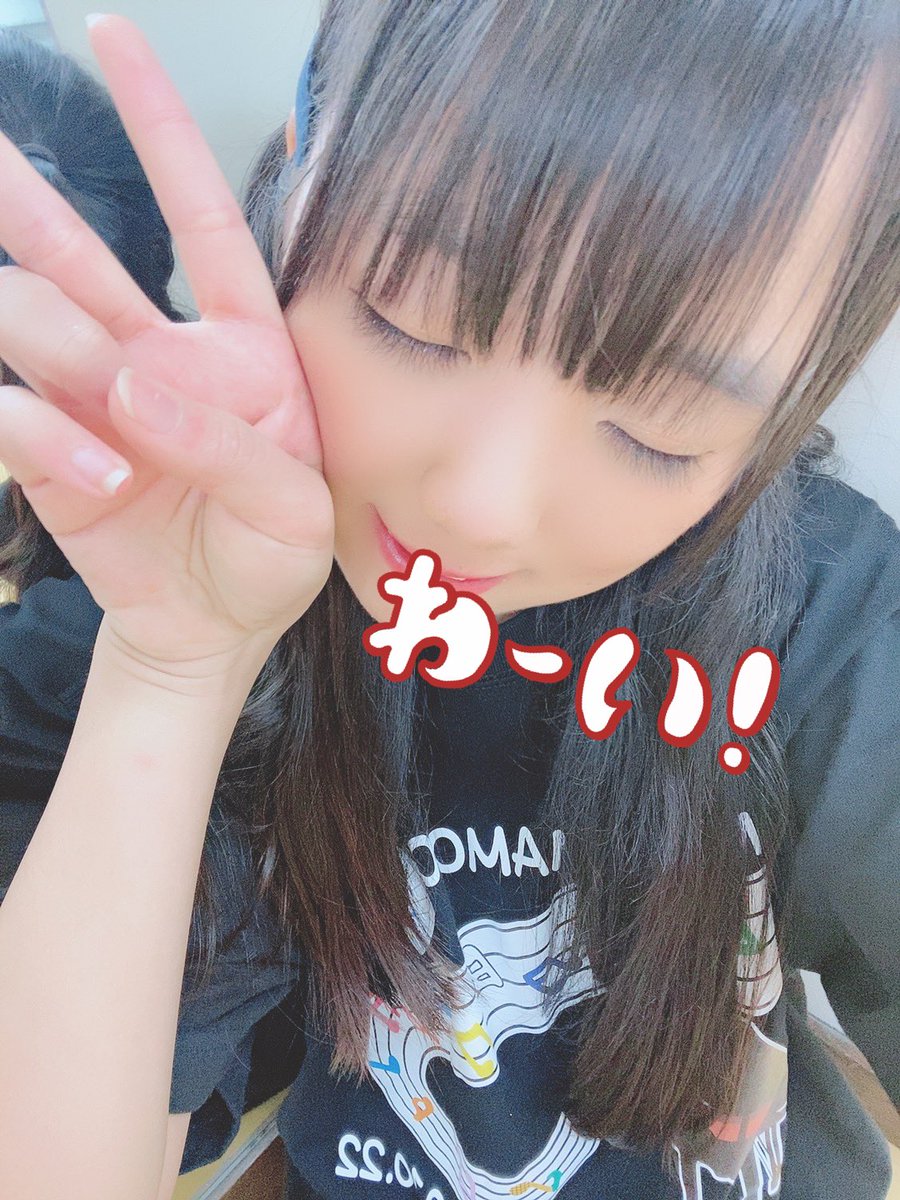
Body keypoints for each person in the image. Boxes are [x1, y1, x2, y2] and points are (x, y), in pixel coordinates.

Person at [0, 5, 897, 1199]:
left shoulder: (828, 623)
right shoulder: (166, 598)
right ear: (304, 161)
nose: (480, 508)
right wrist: (174, 671)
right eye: (410, 319)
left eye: (660, 429)